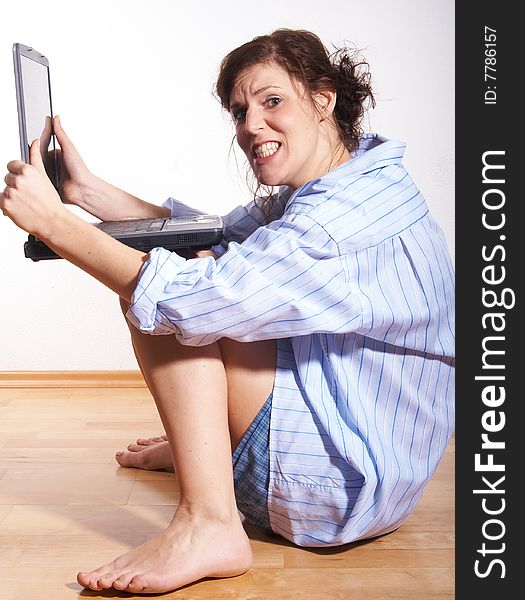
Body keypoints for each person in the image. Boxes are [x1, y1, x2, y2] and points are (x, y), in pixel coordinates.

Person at [0, 28, 455, 595]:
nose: (251, 127)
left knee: (167, 296)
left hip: (335, 490)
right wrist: (85, 192)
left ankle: (209, 521)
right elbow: (220, 234)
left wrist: (55, 226)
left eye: (271, 102)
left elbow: (191, 298)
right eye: (240, 111)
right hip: (377, 466)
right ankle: (207, 447)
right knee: (192, 263)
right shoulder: (354, 178)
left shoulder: (334, 226)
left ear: (323, 97)